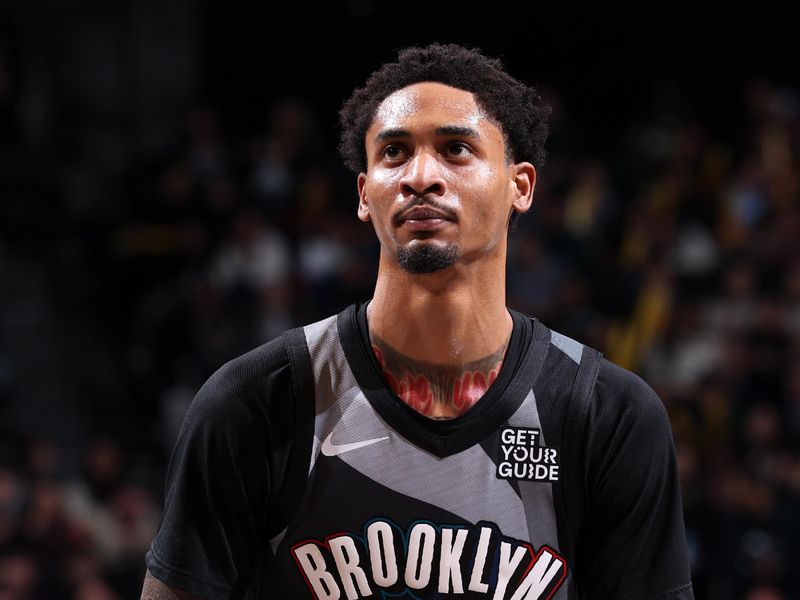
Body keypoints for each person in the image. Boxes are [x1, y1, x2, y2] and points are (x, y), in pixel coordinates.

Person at [141, 43, 694, 599]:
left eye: (456, 149)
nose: (421, 175)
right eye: (394, 152)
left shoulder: (608, 416)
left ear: (519, 187)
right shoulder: (257, 402)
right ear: (364, 194)